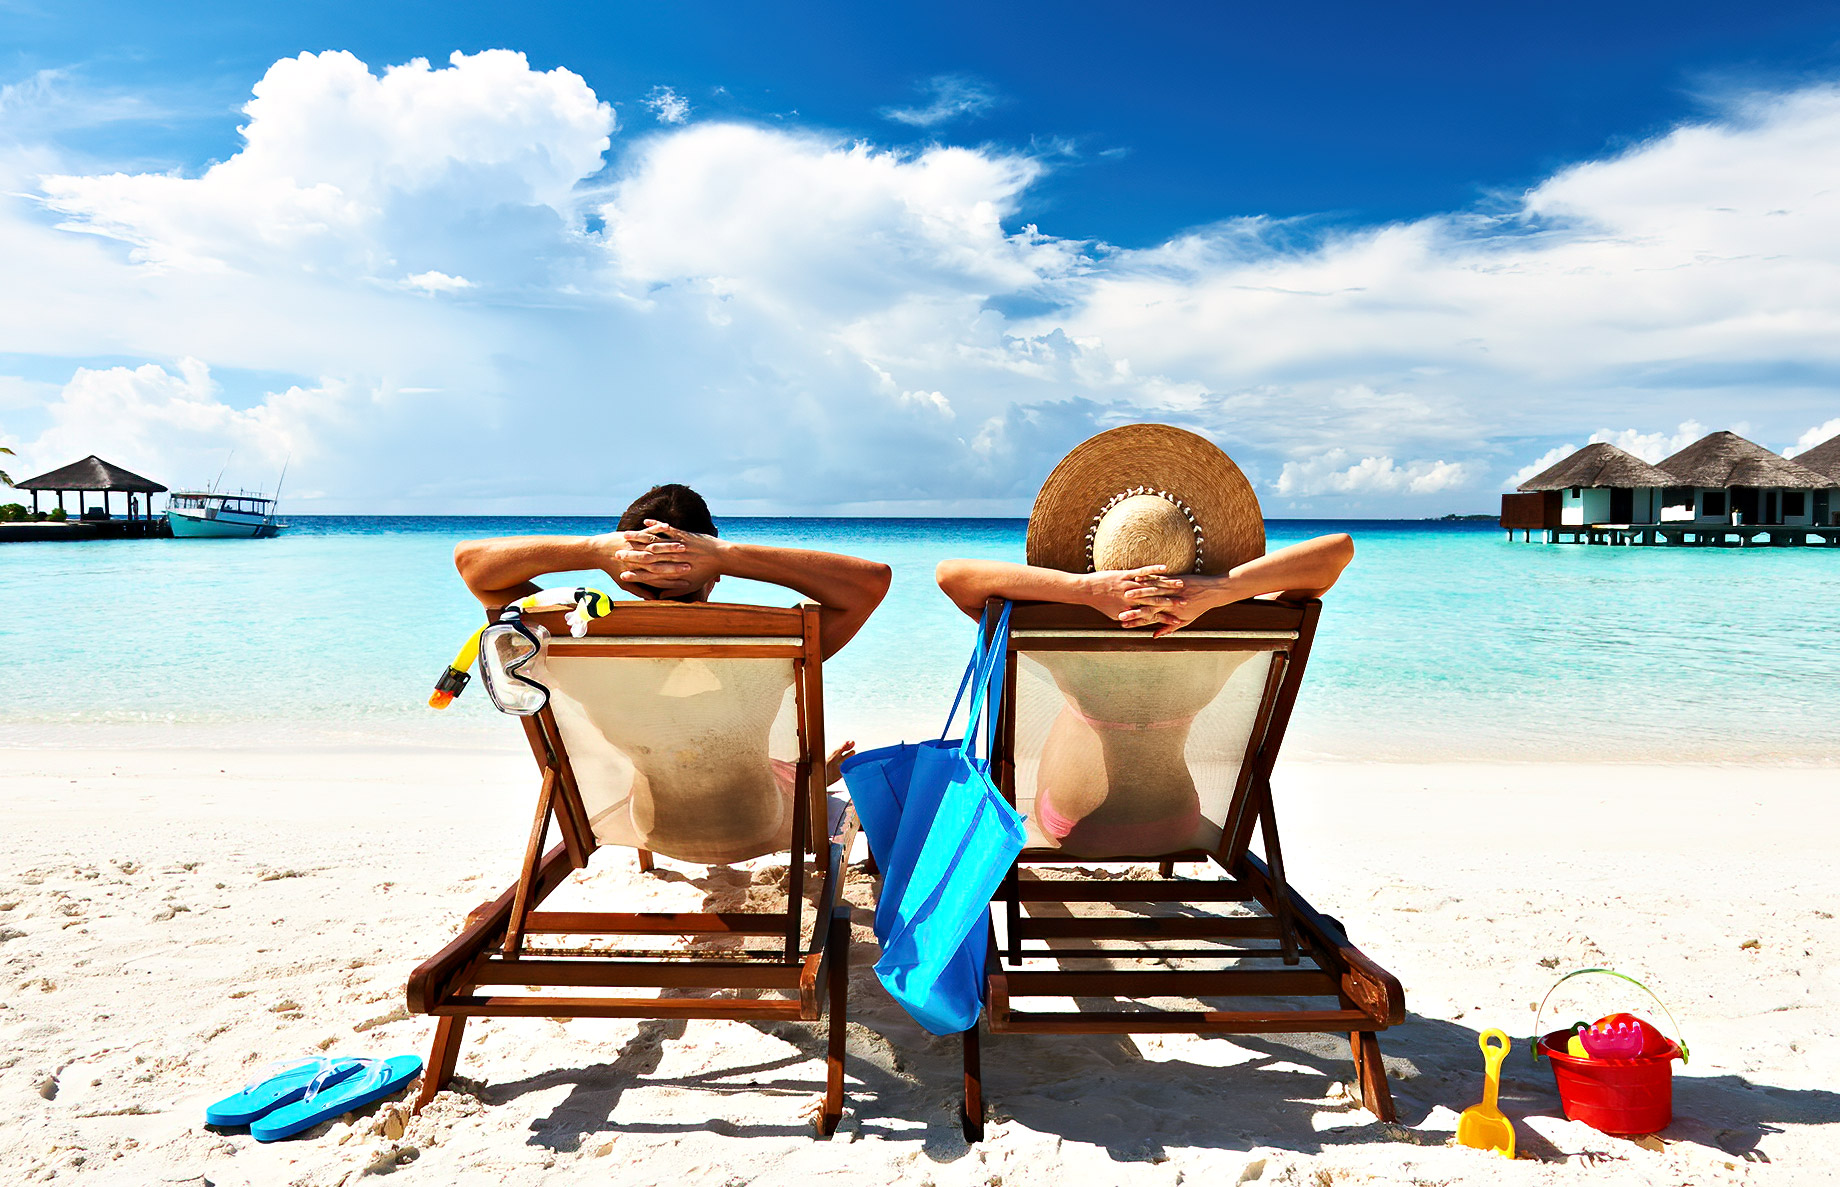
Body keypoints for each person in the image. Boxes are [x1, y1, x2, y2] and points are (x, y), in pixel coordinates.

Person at [933, 424, 1354, 857]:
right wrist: (1217, 591)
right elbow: (1337, 551)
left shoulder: (1053, 631)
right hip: (1176, 824)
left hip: (1071, 827)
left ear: (1097, 557)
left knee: (1075, 713)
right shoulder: (1234, 632)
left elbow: (952, 575)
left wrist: (1087, 591)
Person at [453, 483, 891, 862]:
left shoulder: (577, 644)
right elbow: (869, 584)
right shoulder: (773, 644)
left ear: (623, 575)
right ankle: (815, 777)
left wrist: (594, 550)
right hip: (759, 823)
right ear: (713, 573)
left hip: (652, 827)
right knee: (734, 747)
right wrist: (724, 555)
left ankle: (807, 774)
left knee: (688, 746)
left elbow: (475, 568)